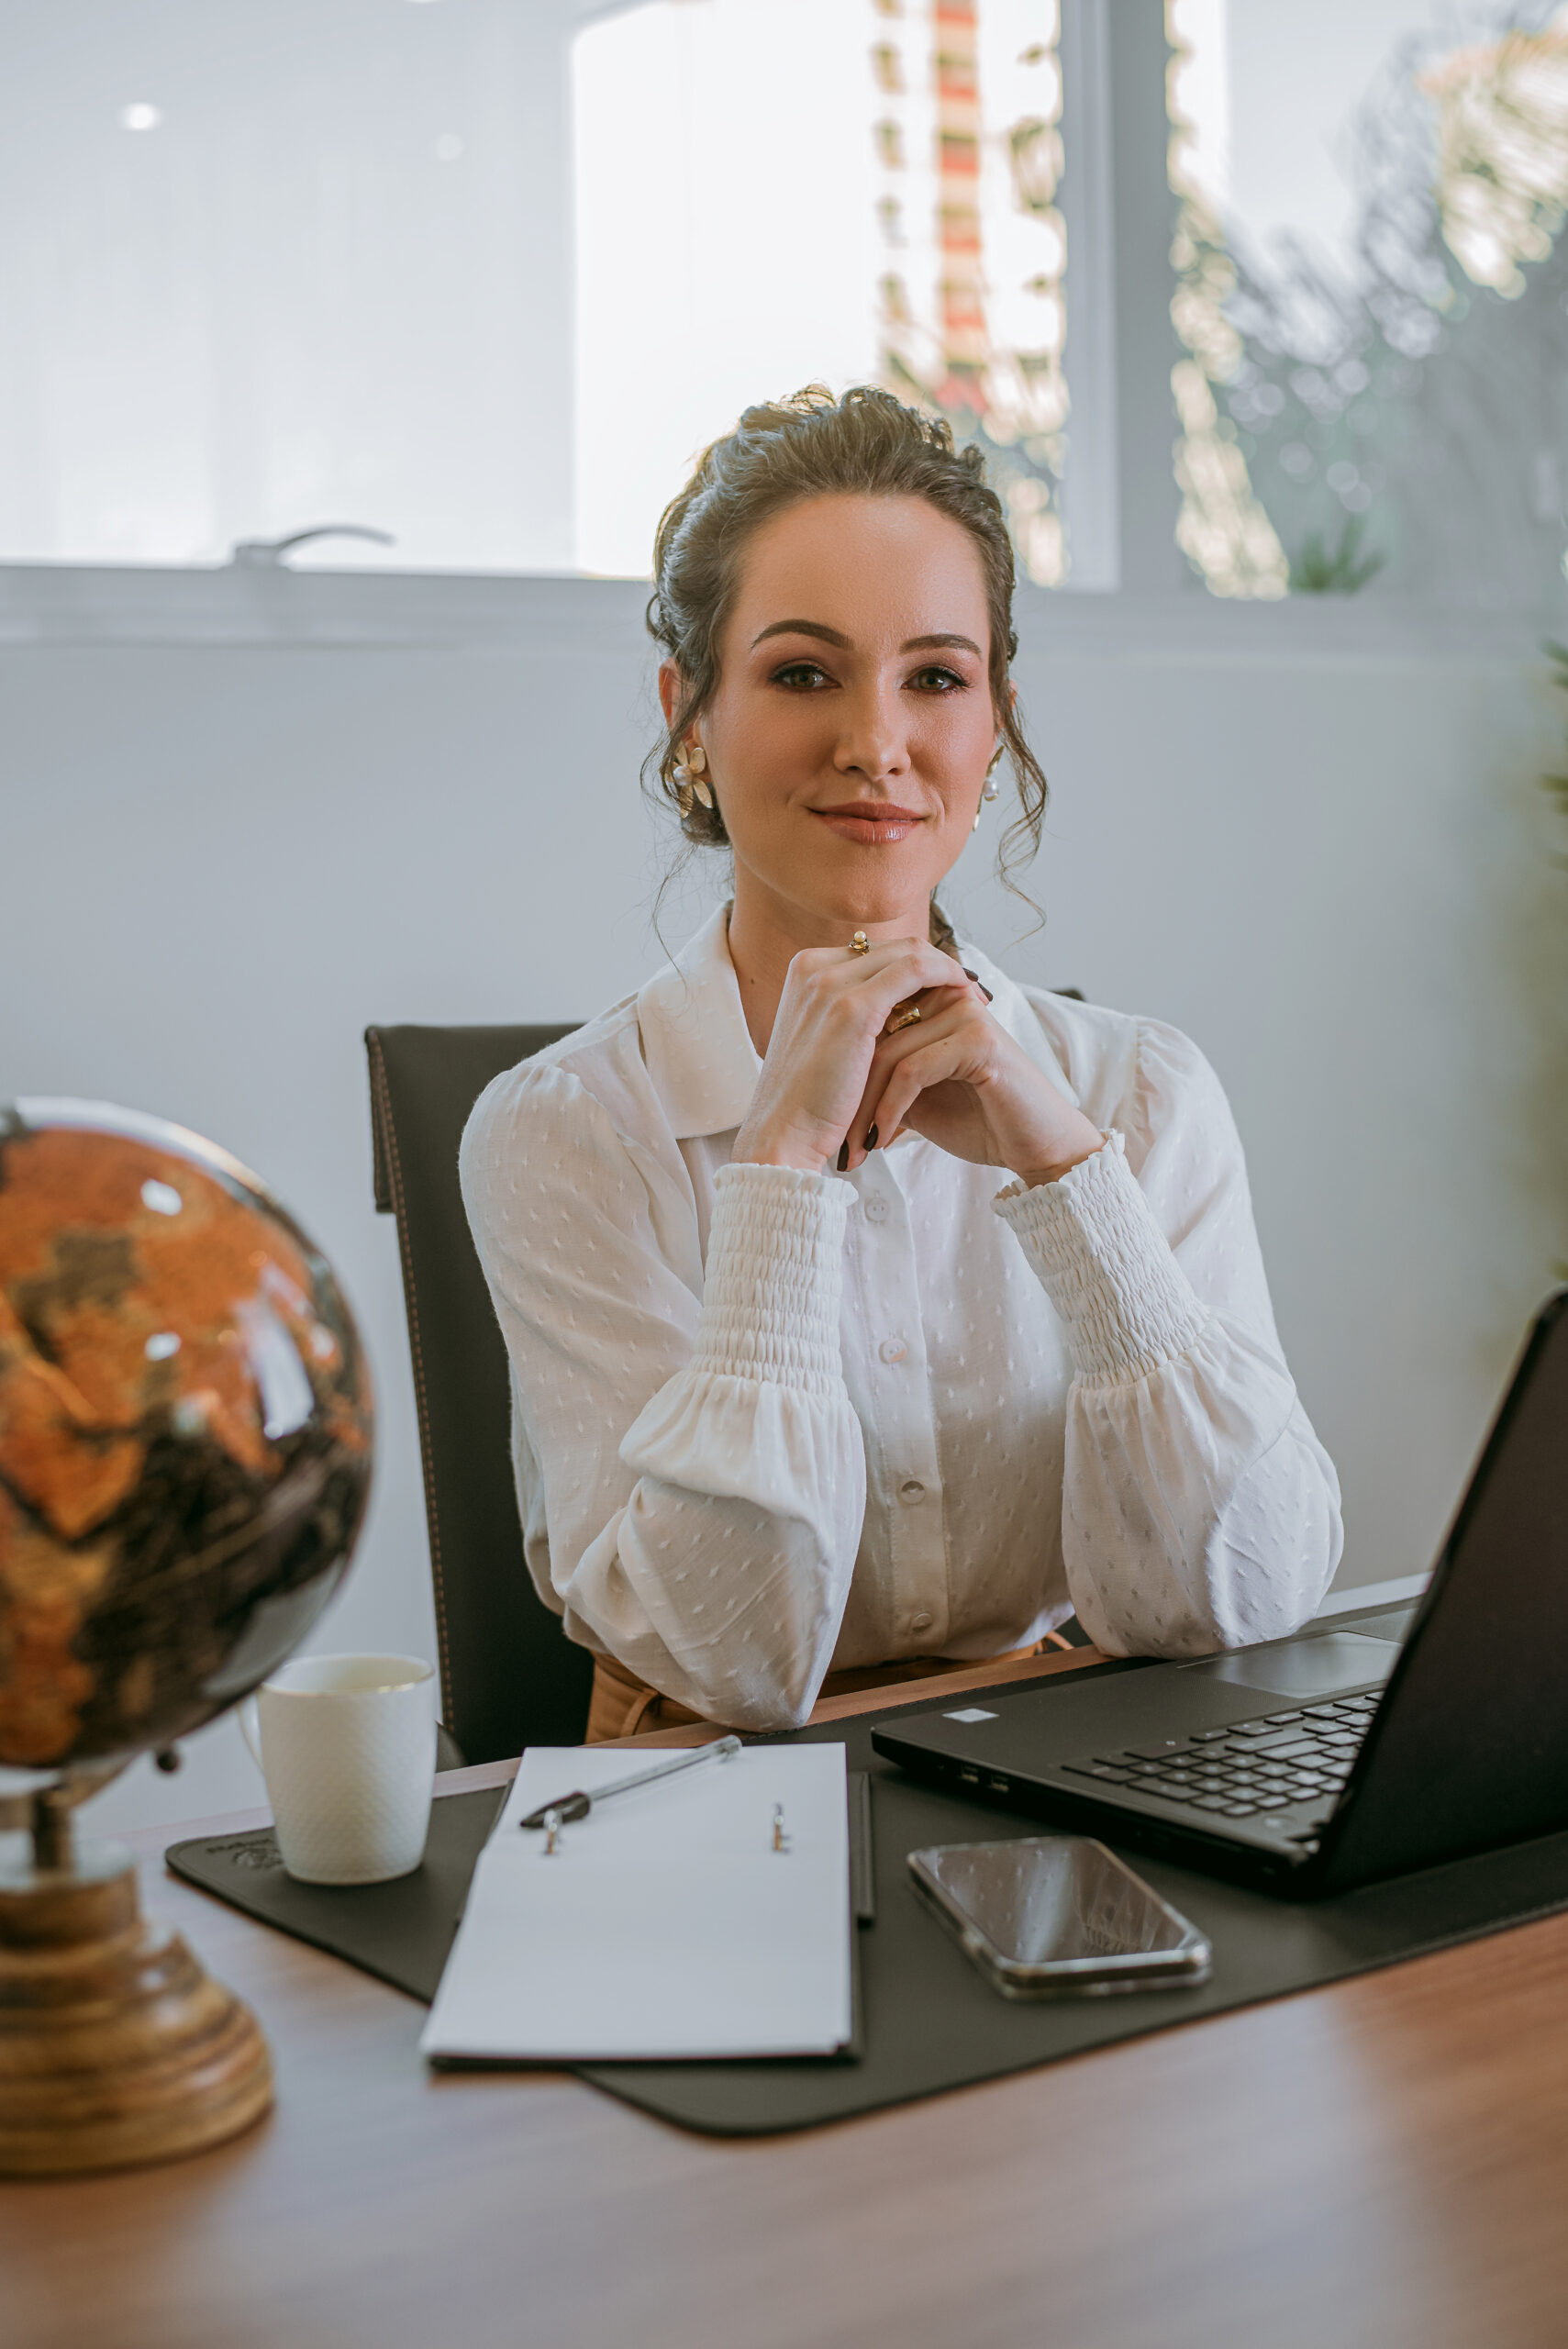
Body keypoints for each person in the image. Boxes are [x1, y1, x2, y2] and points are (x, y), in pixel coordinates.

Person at [462, 385, 1342, 1742]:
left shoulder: (1139, 1091)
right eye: (802, 672)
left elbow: (1247, 1598)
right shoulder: (564, 1130)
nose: (876, 743)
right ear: (687, 715)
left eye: (934, 676)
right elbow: (731, 1663)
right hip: (699, 1814)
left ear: (991, 726)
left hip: (1052, 1771)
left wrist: (1067, 1172)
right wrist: (782, 1170)